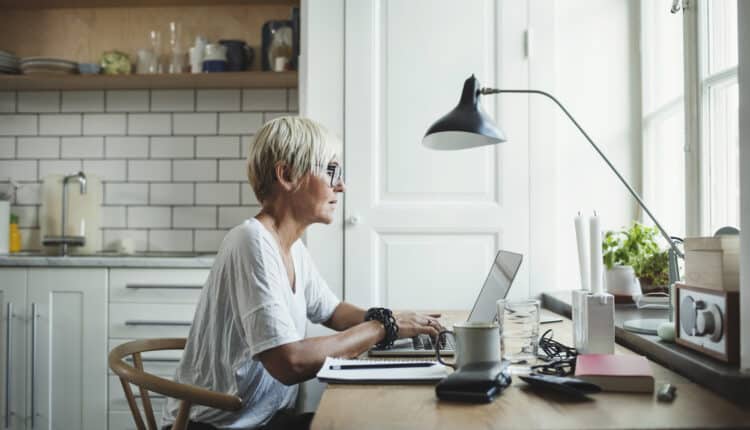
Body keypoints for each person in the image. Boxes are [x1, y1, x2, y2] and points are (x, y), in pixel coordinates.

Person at [161, 116, 443, 430]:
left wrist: (400, 321)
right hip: (219, 426)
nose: (341, 185)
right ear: (287, 175)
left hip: (265, 421)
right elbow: (289, 362)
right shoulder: (251, 241)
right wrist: (382, 328)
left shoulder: (292, 247)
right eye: (331, 170)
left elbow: (334, 312)